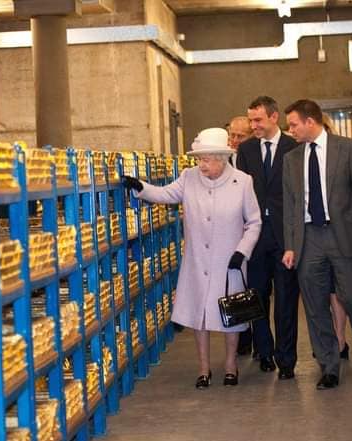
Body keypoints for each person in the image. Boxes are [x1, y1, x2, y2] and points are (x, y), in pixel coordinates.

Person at [123, 127, 262, 388]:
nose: (201, 164)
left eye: (206, 159)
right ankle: (203, 368)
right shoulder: (189, 177)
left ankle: (231, 364)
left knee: (230, 314)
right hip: (198, 259)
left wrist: (242, 251)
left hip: (230, 260)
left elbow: (254, 222)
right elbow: (166, 195)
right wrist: (141, 188)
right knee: (199, 314)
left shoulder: (242, 181)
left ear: (221, 158)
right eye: (199, 159)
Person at [282, 99, 352, 390]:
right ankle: (329, 367)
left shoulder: (346, 149)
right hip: (308, 239)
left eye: (293, 125)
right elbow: (290, 207)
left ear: (310, 122)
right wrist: (290, 246)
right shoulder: (292, 159)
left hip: (343, 237)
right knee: (314, 305)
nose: (291, 131)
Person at [237, 96, 300, 378]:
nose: (254, 126)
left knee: (287, 299)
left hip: (285, 237)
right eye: (251, 120)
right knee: (256, 297)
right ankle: (264, 352)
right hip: (255, 236)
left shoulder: (293, 147)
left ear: (274, 117)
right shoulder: (246, 150)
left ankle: (286, 360)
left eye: (258, 120)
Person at [321, 113, 349, 360]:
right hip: (315, 237)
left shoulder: (343, 152)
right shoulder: (301, 156)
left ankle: (340, 338)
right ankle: (331, 340)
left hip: (340, 235)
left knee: (339, 292)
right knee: (324, 291)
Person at [227, 115, 255, 355]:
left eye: (240, 136)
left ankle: (261, 343)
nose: (234, 140)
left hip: (253, 233)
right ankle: (242, 340)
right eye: (231, 135)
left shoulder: (254, 159)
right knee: (235, 290)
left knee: (254, 287)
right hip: (230, 236)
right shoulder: (219, 160)